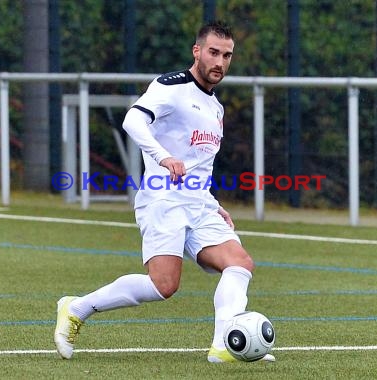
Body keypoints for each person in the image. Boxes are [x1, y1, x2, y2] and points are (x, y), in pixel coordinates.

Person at [54, 20, 275, 363]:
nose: (220, 62)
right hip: (163, 199)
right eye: (213, 52)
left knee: (240, 263)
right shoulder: (170, 87)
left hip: (199, 204)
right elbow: (133, 120)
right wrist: (162, 156)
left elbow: (201, 163)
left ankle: (224, 346)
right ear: (197, 51)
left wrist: (213, 203)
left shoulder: (216, 107)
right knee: (163, 286)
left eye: (227, 55)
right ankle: (77, 307)